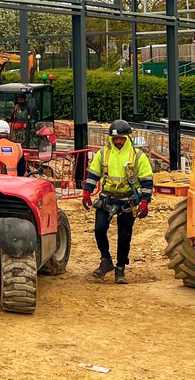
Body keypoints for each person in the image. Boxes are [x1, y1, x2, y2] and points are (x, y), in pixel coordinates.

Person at [81, 119, 154, 284]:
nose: (118, 141)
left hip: (127, 200)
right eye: (116, 138)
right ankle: (106, 260)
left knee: (124, 235)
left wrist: (144, 201)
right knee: (99, 229)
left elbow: (147, 180)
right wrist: (87, 192)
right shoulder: (104, 153)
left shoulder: (137, 156)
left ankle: (120, 268)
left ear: (127, 137)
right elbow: (93, 174)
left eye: (121, 138)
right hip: (107, 197)